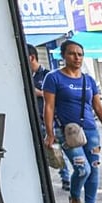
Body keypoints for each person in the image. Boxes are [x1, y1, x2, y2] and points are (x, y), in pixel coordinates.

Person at [42, 40, 102, 203]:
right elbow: (49, 107)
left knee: (94, 166)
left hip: (90, 129)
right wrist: (50, 133)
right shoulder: (53, 78)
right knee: (82, 169)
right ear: (63, 55)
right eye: (72, 54)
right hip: (67, 131)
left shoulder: (88, 80)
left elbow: (98, 107)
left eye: (80, 54)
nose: (77, 57)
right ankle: (74, 196)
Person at [27, 43, 71, 191]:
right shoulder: (23, 77)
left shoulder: (47, 75)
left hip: (50, 121)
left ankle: (66, 179)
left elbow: (57, 97)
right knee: (37, 153)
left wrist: (38, 92)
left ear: (31, 57)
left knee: (58, 150)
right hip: (33, 122)